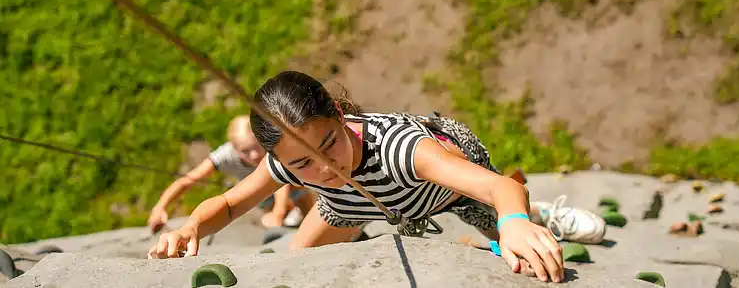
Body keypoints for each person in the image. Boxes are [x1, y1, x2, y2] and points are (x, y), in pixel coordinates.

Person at [148, 71, 607, 284]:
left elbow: (501, 186)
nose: (325, 168)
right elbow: (229, 204)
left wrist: (514, 221)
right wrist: (190, 227)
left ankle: (544, 216)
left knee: (509, 234)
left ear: (341, 114)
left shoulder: (401, 147)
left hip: (440, 193)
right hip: (351, 203)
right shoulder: (292, 162)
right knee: (297, 263)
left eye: (330, 143)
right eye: (304, 165)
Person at [146, 115, 315, 233]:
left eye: (256, 146)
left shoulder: (269, 143)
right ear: (234, 148)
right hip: (262, 196)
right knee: (276, 209)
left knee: (303, 202)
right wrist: (160, 207)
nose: (254, 155)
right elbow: (188, 180)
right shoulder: (225, 155)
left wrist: (277, 216)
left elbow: (279, 180)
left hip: (290, 184)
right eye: (245, 151)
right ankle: (290, 214)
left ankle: (301, 215)